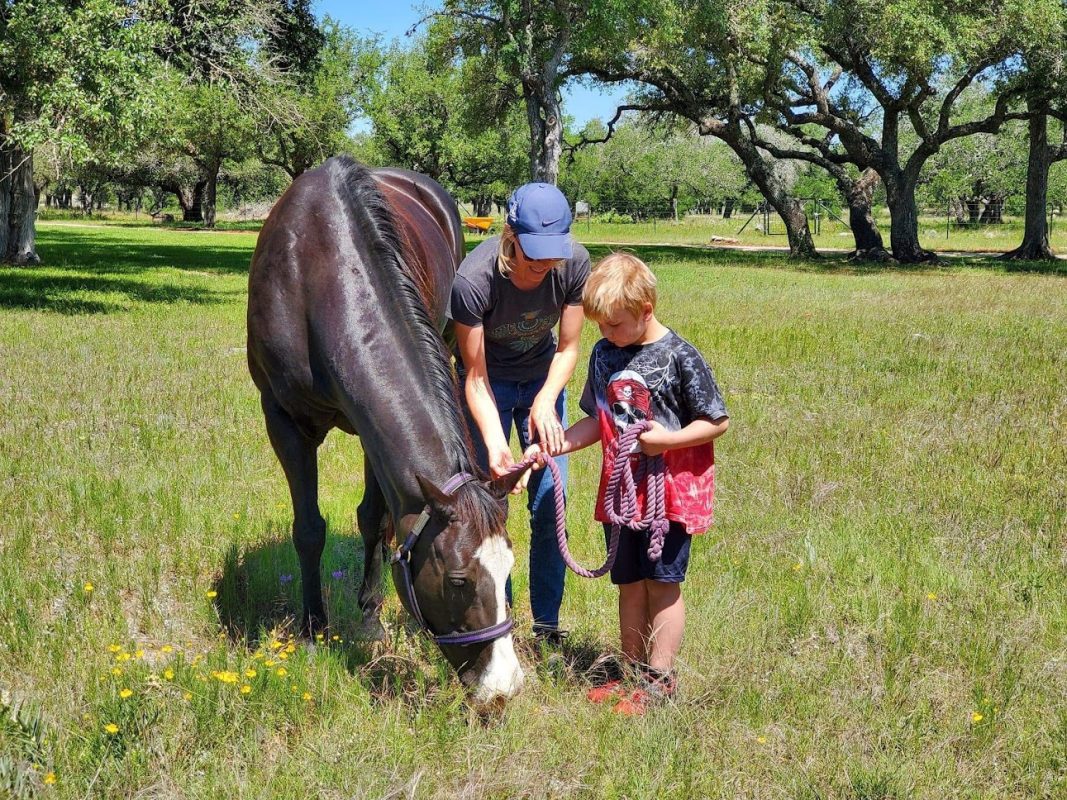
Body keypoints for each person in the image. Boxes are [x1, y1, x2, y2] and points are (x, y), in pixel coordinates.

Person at [524, 252, 729, 715]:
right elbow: (597, 421)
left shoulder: (679, 355)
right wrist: (553, 446)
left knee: (662, 582)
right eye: (600, 326)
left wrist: (667, 441)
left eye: (615, 325)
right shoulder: (603, 354)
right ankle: (631, 672)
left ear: (646, 311)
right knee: (630, 583)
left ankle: (660, 678)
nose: (606, 334)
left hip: (667, 494)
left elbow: (717, 421)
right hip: (621, 493)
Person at [449, 183, 591, 642]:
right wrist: (494, 442)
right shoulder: (473, 282)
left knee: (552, 501)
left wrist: (546, 401)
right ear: (511, 235)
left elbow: (569, 347)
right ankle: (500, 618)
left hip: (542, 380)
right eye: (535, 258)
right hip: (489, 386)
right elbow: (475, 377)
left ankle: (548, 624)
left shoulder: (575, 264)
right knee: (491, 503)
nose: (545, 266)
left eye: (553, 256)